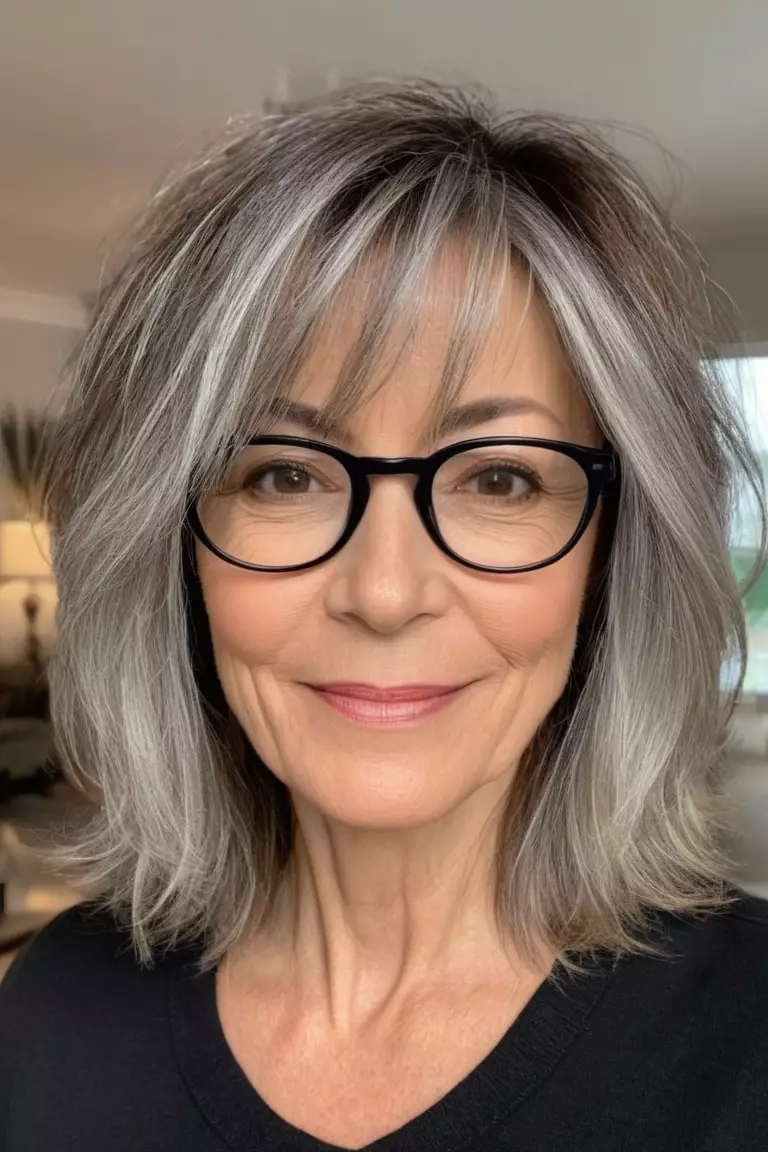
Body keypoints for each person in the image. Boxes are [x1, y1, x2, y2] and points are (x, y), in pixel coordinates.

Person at [1, 78, 767, 1152]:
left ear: (612, 554)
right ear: (171, 548)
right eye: (281, 474)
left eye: (499, 478)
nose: (385, 591)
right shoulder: (54, 1006)